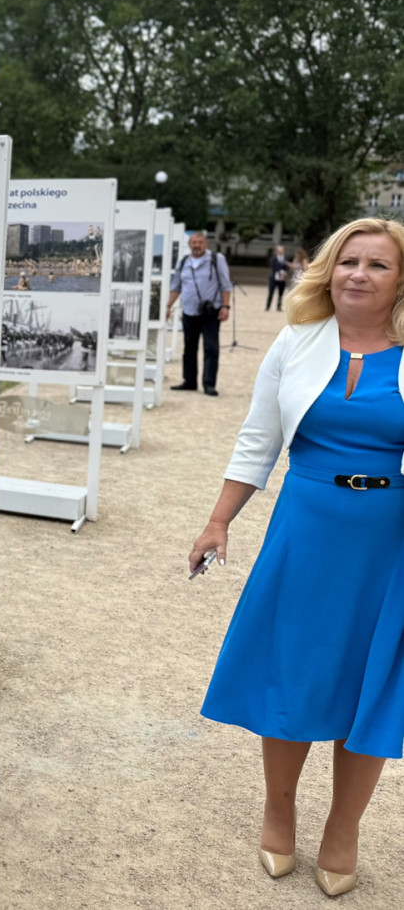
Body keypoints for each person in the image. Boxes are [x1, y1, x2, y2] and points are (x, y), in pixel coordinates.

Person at [191, 217, 404, 899]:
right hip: (306, 529)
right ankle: (278, 807)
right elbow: (258, 438)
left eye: (377, 264)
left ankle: (344, 825)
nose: (358, 274)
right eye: (348, 260)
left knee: (371, 682)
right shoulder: (298, 339)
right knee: (294, 670)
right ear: (328, 270)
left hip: (389, 541)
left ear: (401, 280)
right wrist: (218, 521)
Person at [166, 231, 233, 395]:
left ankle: (209, 384)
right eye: (194, 243)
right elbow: (176, 286)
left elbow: (225, 285)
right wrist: (168, 306)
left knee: (211, 348)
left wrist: (225, 306)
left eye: (200, 242)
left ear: (206, 244)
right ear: (189, 245)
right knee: (189, 347)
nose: (197, 246)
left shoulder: (217, 259)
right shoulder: (183, 262)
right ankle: (189, 381)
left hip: (211, 311)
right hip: (189, 311)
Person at [266, 245, 291, 311]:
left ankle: (279, 307)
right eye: (280, 251)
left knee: (280, 294)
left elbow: (287, 267)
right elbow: (273, 267)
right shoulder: (273, 259)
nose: (281, 252)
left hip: (282, 279)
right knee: (271, 293)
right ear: (277, 251)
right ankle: (268, 307)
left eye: (282, 251)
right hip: (274, 278)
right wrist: (280, 273)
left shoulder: (286, 258)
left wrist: (285, 273)